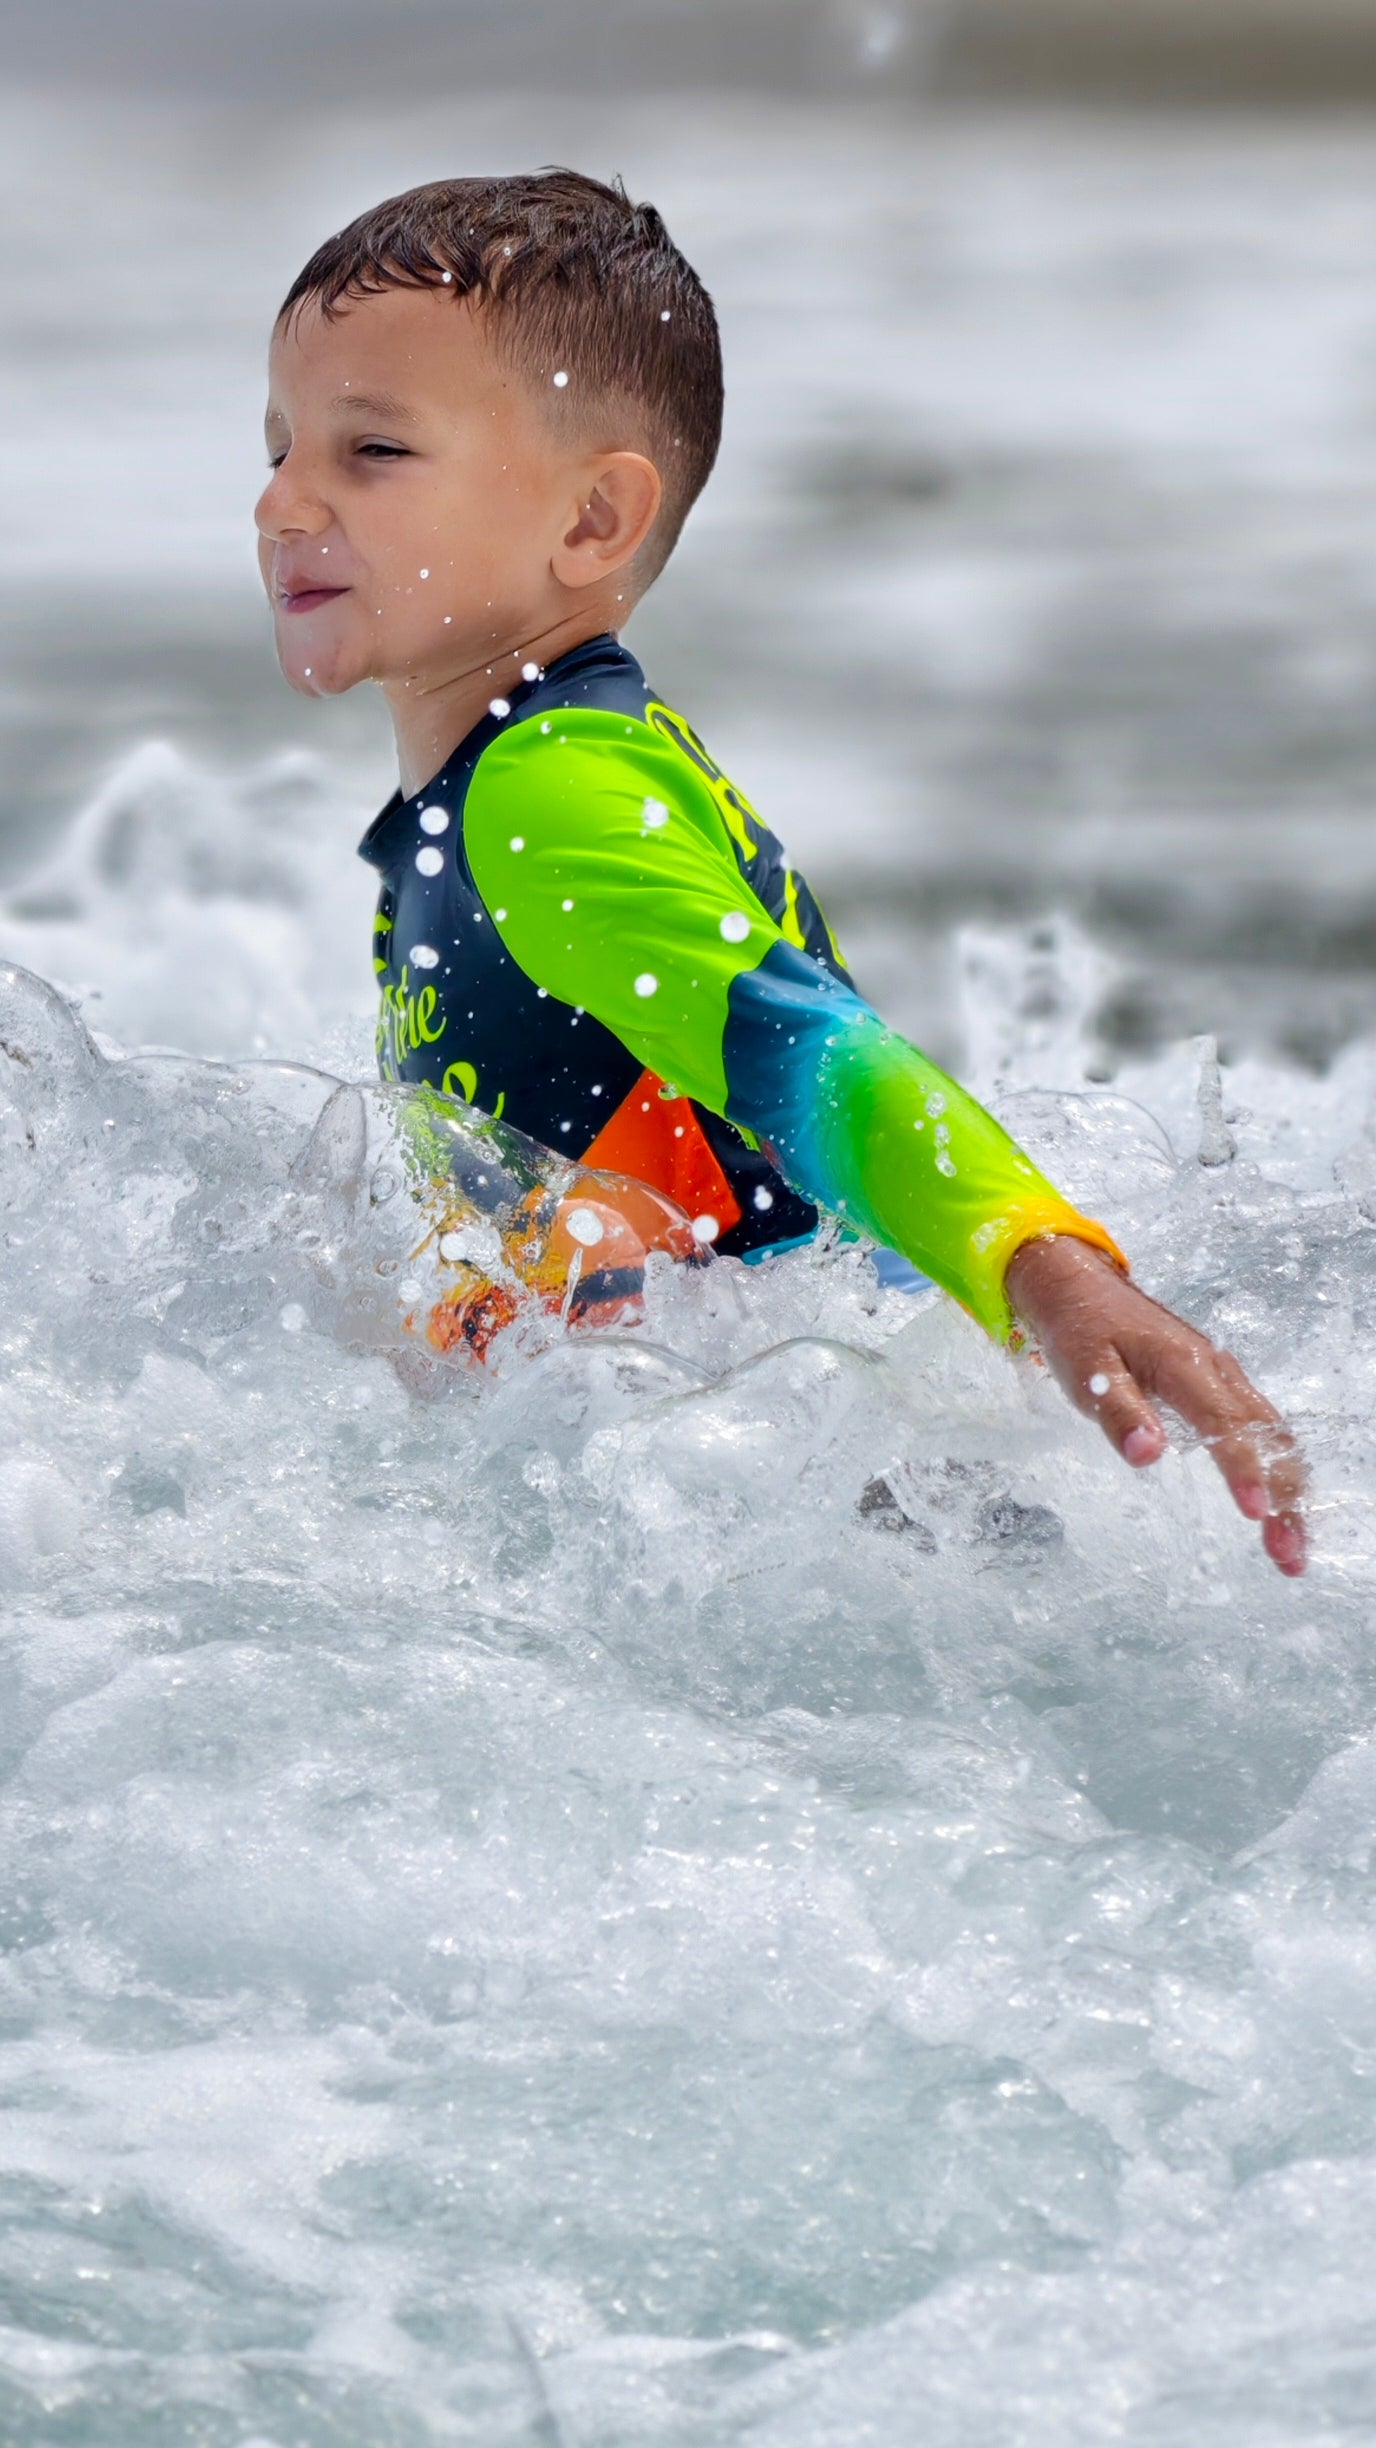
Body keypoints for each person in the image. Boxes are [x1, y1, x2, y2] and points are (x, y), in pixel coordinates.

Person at [255, 169, 1306, 1576]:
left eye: (371, 450)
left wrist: (1047, 1266)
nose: (280, 502)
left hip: (799, 1518)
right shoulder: (563, 765)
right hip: (770, 1481)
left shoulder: (544, 798)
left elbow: (809, 1054)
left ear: (591, 523)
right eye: (277, 448)